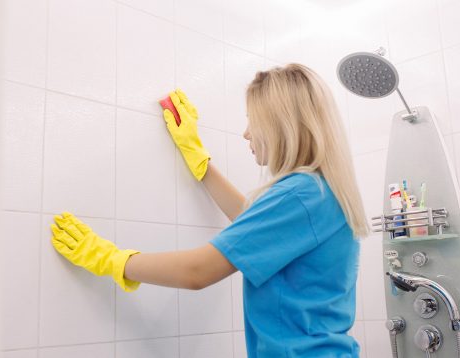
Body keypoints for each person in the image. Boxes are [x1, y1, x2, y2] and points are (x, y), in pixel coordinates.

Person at [51, 64, 369, 357]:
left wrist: (110, 259)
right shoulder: (321, 191)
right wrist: (199, 161)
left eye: (251, 120)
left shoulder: (301, 193)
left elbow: (197, 271)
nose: (246, 133)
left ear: (279, 124)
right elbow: (255, 225)